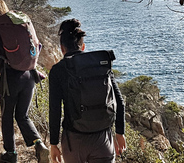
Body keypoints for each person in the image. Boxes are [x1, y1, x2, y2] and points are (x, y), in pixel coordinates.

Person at [0, 0, 49, 163]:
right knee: (22, 115)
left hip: (10, 78)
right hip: (30, 75)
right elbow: (37, 46)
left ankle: (11, 154)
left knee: (7, 116)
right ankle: (39, 145)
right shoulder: (18, 27)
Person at [49, 18, 127, 163]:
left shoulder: (58, 71)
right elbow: (119, 102)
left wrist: (53, 143)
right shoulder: (100, 65)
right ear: (83, 46)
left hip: (74, 140)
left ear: (62, 48)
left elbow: (55, 110)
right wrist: (119, 133)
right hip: (103, 137)